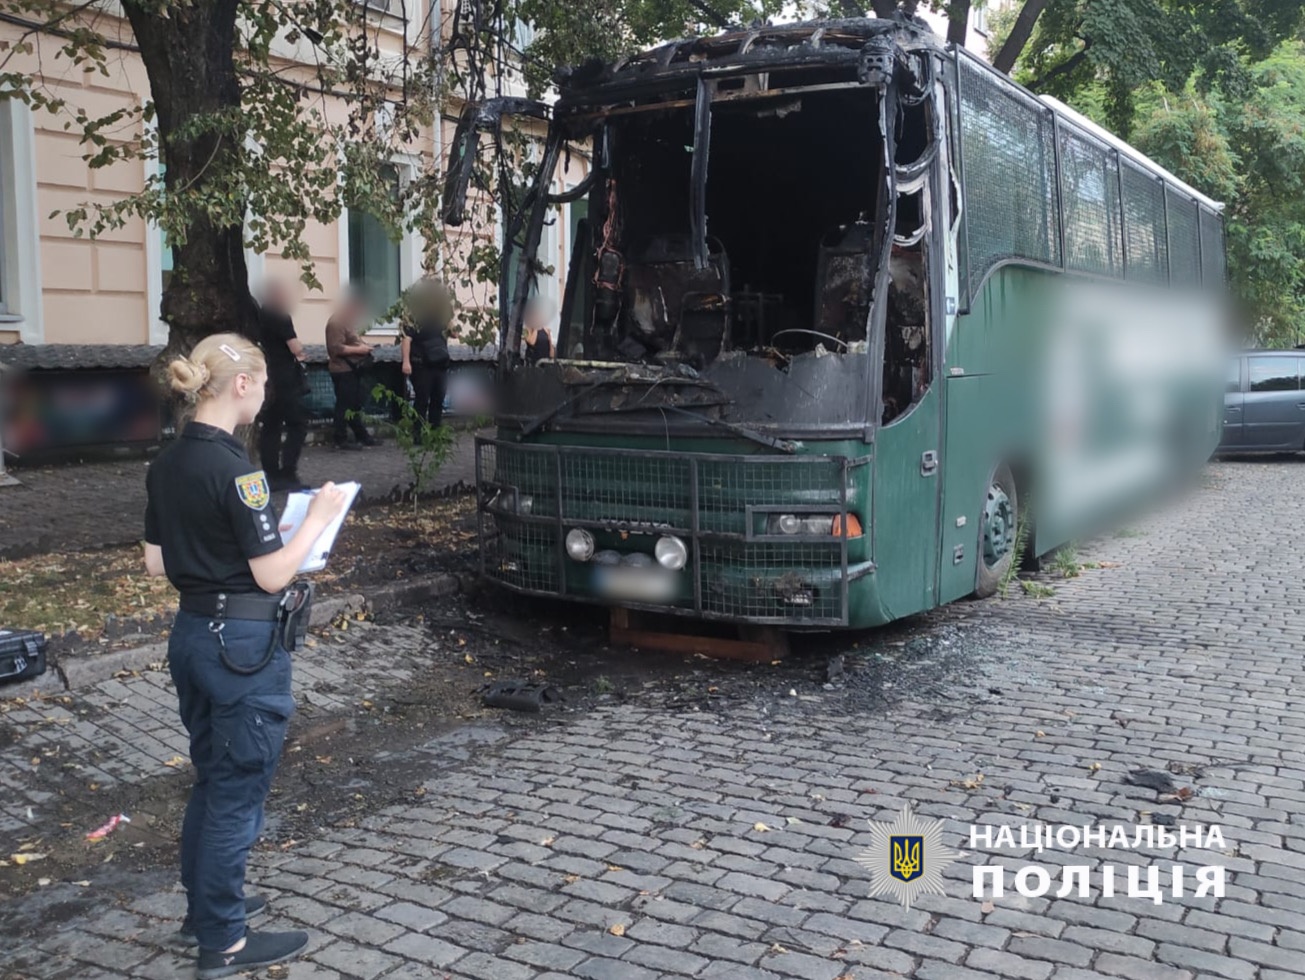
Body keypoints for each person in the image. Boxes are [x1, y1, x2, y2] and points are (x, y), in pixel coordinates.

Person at [142, 333, 347, 979]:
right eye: (261, 383)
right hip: (242, 651)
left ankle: (204, 911)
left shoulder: (167, 461)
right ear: (241, 385)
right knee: (236, 794)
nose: (265, 394)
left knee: (214, 778)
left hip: (194, 637)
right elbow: (269, 576)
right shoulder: (237, 470)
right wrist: (317, 519)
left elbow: (155, 563)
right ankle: (223, 942)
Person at [254, 280, 310, 492]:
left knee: (271, 426)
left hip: (267, 377)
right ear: (277, 296)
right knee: (297, 424)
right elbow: (295, 348)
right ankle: (288, 472)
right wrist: (301, 351)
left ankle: (271, 474)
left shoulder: (259, 316)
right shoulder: (281, 317)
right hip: (285, 379)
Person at [324, 291, 379, 450]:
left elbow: (351, 342)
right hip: (342, 370)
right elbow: (335, 348)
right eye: (359, 310)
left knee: (354, 405)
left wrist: (365, 347)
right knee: (344, 405)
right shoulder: (336, 322)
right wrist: (360, 349)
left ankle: (362, 436)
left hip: (352, 369)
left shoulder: (348, 321)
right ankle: (340, 439)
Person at [401, 278, 454, 429]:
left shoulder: (442, 314)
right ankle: (418, 432)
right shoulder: (415, 314)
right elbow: (406, 339)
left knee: (438, 399)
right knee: (422, 399)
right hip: (421, 364)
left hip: (440, 363)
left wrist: (450, 317)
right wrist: (406, 361)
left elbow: (454, 333)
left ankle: (435, 432)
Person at [523, 296, 556, 365]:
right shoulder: (528, 328)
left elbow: (551, 347)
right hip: (534, 362)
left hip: (545, 361)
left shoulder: (546, 329)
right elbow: (532, 342)